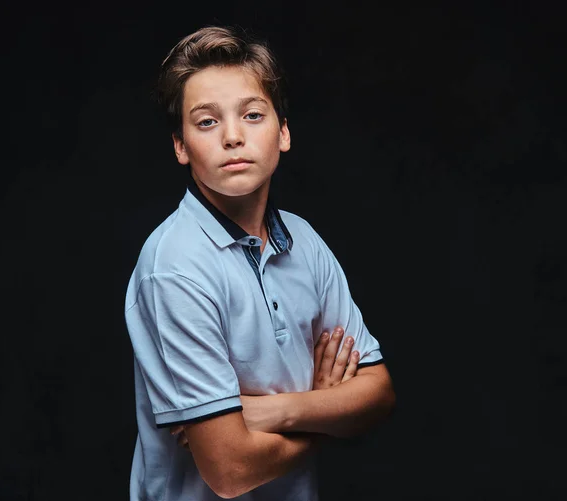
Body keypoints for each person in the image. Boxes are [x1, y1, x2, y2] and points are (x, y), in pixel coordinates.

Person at [124, 25, 396, 500]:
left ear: (283, 132)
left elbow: (378, 395)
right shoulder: (174, 266)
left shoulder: (305, 242)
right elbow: (230, 470)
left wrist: (275, 412)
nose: (232, 136)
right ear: (181, 146)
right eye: (207, 122)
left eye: (252, 115)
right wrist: (324, 413)